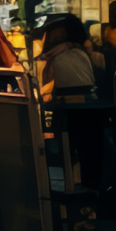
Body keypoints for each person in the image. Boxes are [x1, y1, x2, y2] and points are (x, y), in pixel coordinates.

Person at [39, 12, 103, 189]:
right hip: (90, 114)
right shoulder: (81, 52)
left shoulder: (64, 57)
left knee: (78, 157)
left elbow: (49, 87)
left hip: (76, 114)